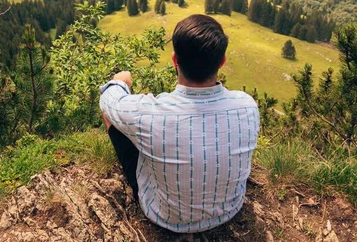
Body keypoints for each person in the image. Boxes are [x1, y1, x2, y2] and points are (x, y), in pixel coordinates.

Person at [99, 14, 260, 233]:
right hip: (229, 210)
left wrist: (120, 81)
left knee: (112, 116)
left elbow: (108, 100)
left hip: (164, 216)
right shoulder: (247, 106)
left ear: (175, 60)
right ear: (221, 61)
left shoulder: (150, 114)